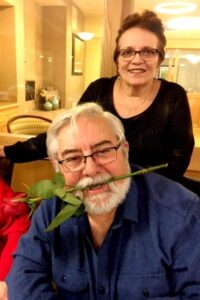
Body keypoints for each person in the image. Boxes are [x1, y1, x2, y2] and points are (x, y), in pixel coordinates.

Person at [6, 103, 200, 299]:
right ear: (58, 167)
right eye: (73, 158)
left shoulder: (182, 214)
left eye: (103, 151)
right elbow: (24, 273)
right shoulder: (52, 209)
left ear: (125, 151)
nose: (90, 169)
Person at [0, 10, 194, 181]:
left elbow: (178, 161)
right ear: (117, 59)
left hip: (152, 197)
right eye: (127, 52)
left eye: (148, 52)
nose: (137, 59)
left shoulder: (173, 96)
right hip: (99, 191)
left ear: (159, 59)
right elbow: (62, 136)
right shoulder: (98, 90)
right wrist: (7, 151)